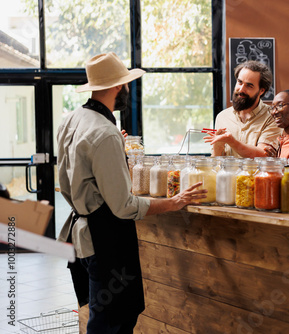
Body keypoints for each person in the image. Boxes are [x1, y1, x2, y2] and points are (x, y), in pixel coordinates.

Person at [56, 52, 206, 334]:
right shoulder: (106, 132)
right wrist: (172, 202)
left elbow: (70, 173)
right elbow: (123, 206)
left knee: (104, 315)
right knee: (112, 321)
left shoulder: (72, 119)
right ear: (117, 87)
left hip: (81, 232)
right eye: (125, 84)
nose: (127, 89)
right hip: (106, 238)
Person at [204, 60, 282, 158]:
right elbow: (216, 159)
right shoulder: (222, 117)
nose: (241, 89)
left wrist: (231, 141)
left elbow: (263, 155)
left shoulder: (273, 117)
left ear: (261, 91)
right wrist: (217, 146)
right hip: (227, 173)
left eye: (249, 86)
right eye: (240, 82)